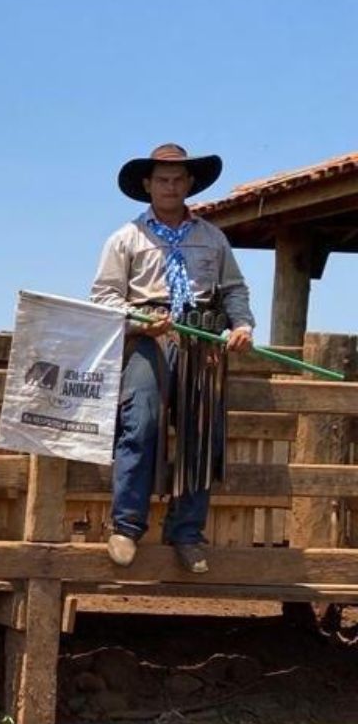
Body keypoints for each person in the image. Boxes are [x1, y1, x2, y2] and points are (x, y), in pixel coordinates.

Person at [92, 144, 255, 574]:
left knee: (201, 432)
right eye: (161, 179)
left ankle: (186, 533)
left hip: (200, 336)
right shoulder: (125, 238)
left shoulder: (212, 237)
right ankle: (126, 526)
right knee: (141, 422)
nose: (169, 186)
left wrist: (241, 326)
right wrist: (140, 321)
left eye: (177, 179)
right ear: (147, 186)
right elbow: (104, 297)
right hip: (148, 337)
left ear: (189, 185)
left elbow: (234, 290)